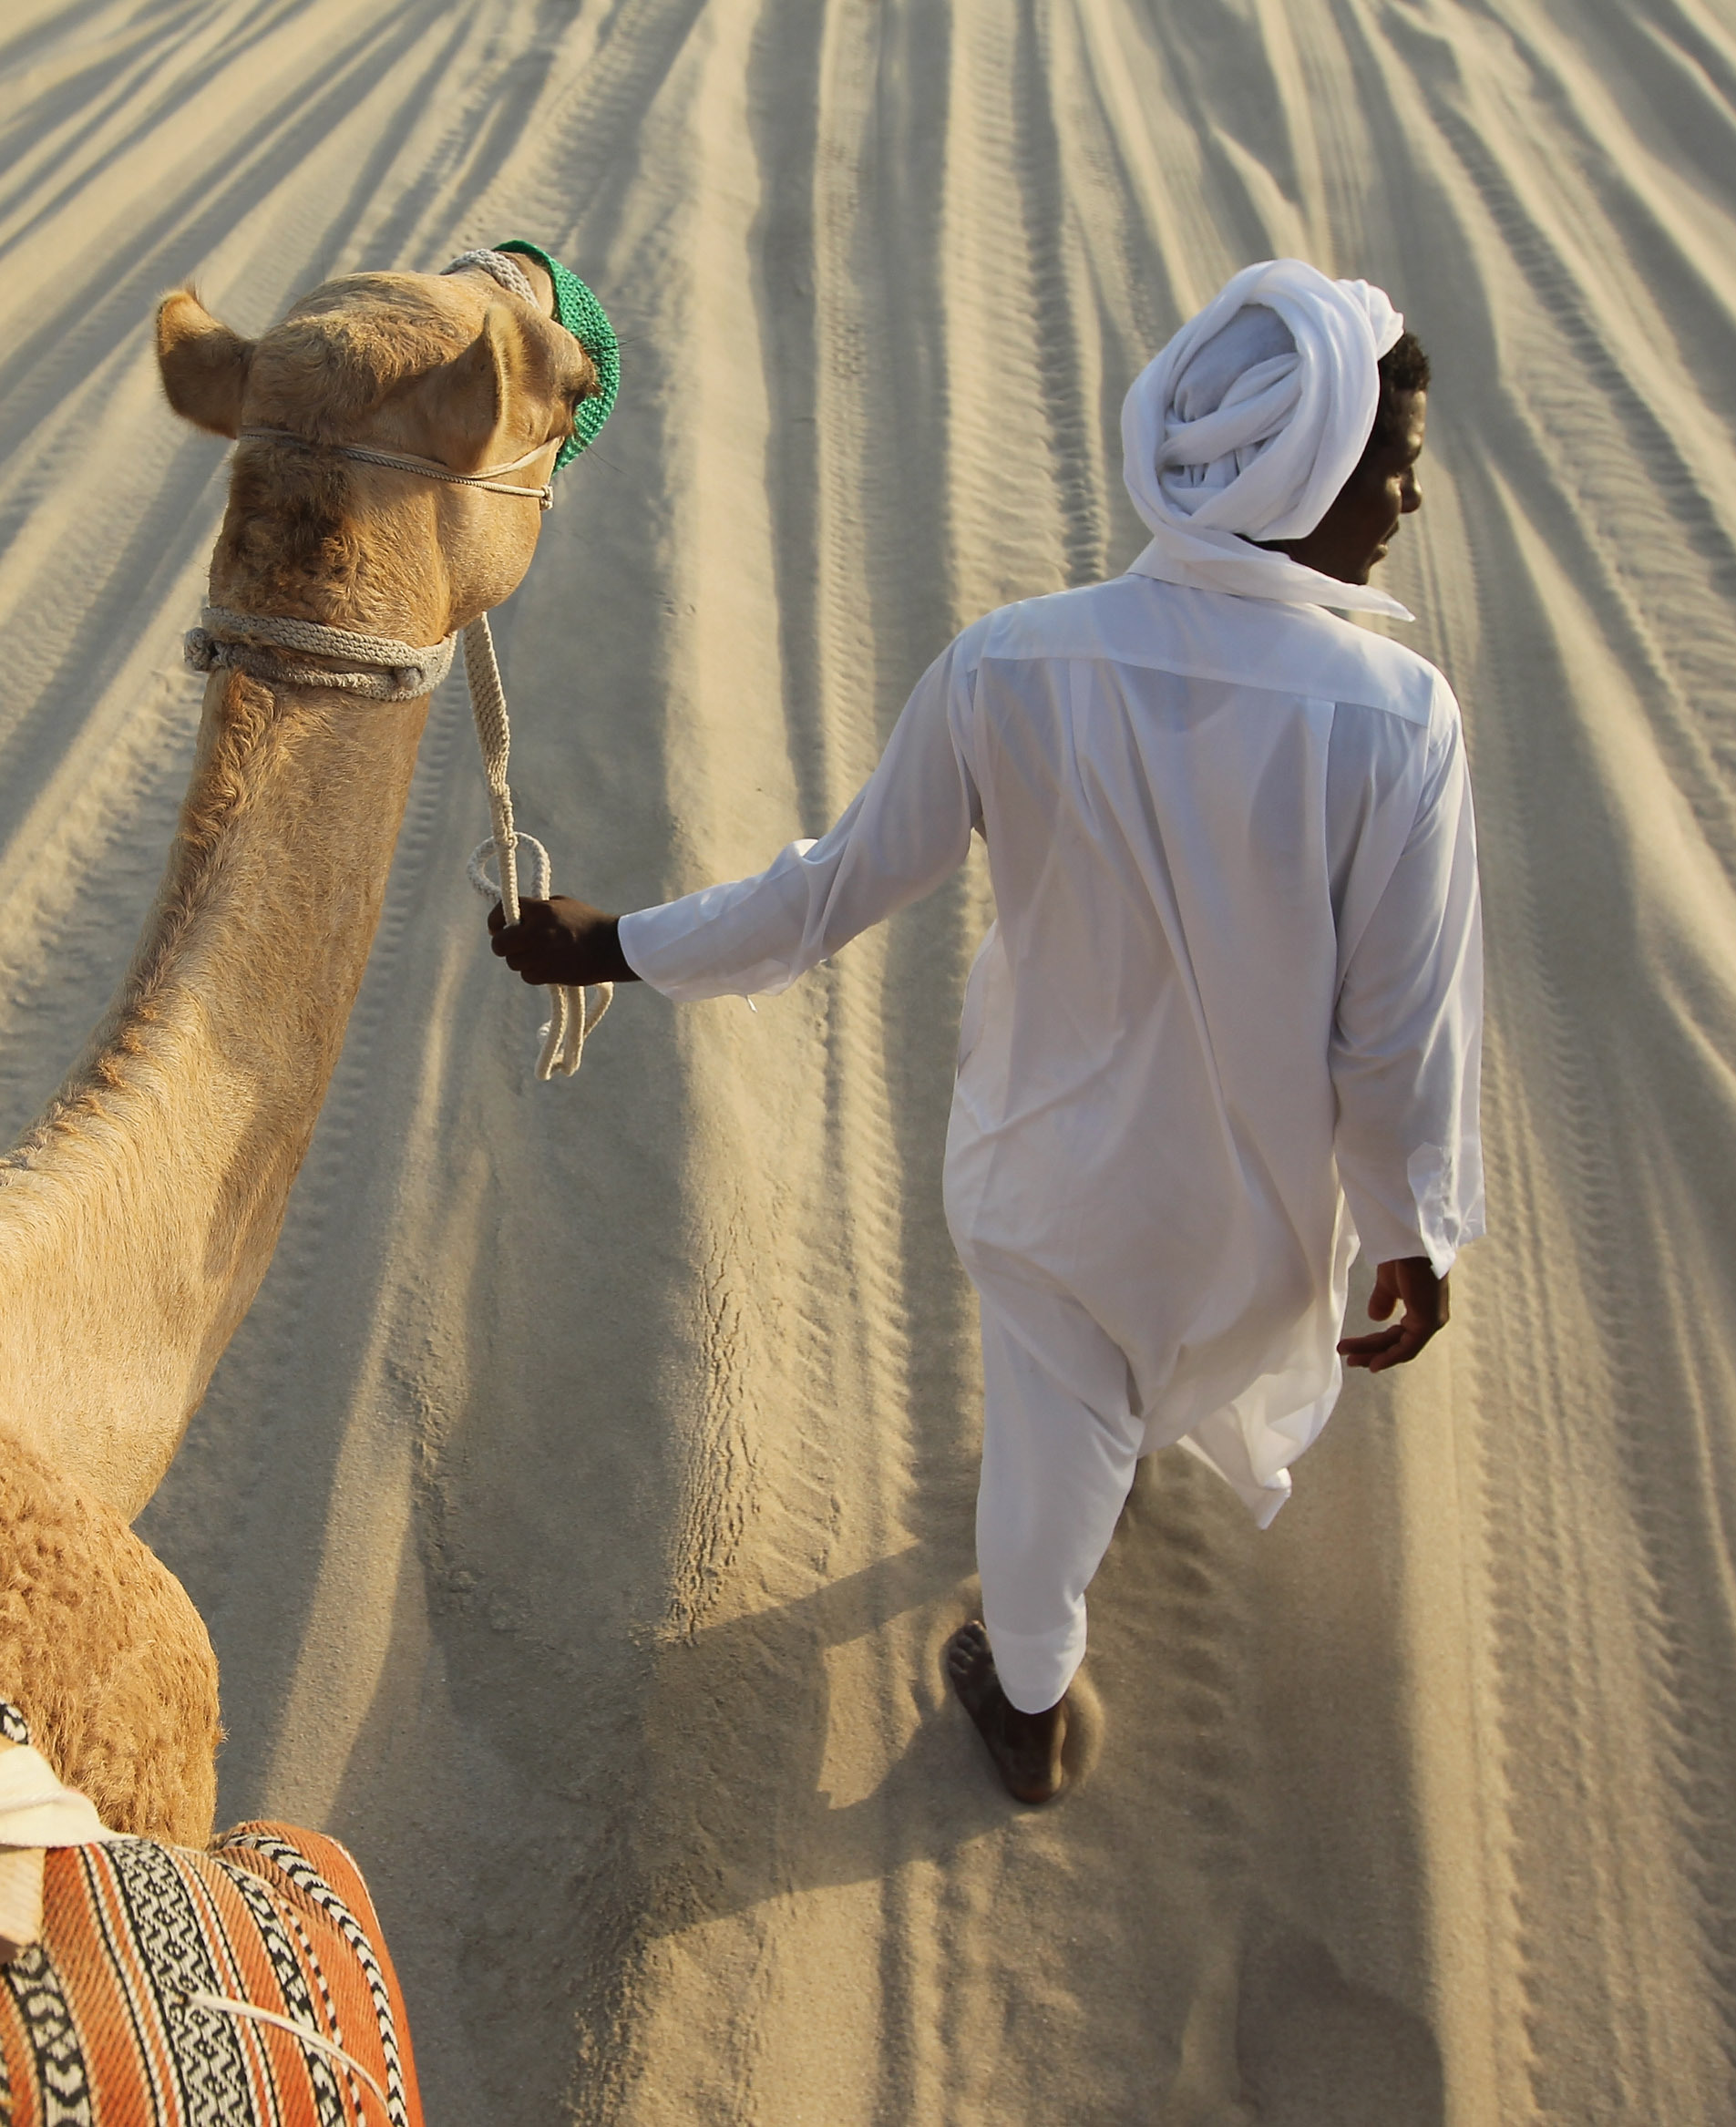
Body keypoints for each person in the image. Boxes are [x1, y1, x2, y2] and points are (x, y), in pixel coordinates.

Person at [488, 260, 1484, 1804]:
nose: (1411, 499)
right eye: (1396, 462)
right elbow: (1399, 1024)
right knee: (1111, 1418)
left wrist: (610, 943)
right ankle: (1042, 1648)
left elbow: (829, 893)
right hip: (1258, 1211)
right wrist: (1410, 1223)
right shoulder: (1400, 720)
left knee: (1051, 1453)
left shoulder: (1015, 661)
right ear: (1309, 470)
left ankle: (1029, 1701)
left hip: (1054, 1181)